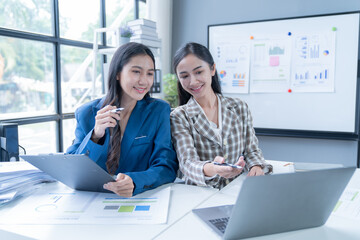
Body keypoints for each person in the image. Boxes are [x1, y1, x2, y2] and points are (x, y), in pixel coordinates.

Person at [67, 42, 178, 197]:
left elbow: (166, 167)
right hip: (94, 199)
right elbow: (71, 169)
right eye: (136, 72)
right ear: (118, 73)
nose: (144, 81)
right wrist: (96, 134)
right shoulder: (86, 113)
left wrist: (135, 181)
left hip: (138, 198)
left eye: (150, 74)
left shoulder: (158, 111)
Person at [171, 42, 272, 189]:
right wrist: (213, 168)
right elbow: (187, 163)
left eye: (199, 72)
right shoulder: (179, 116)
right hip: (199, 194)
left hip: (237, 190)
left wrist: (255, 166)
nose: (193, 81)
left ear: (212, 69)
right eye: (184, 76)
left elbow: (251, 150)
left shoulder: (239, 107)